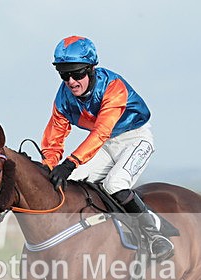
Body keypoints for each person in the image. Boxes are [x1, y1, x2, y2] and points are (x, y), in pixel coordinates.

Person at [41, 35, 174, 260]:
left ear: (92, 69)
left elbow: (101, 131)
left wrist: (70, 162)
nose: (71, 81)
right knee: (72, 183)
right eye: (65, 74)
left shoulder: (113, 86)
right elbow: (54, 139)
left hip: (135, 138)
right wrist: (49, 168)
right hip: (105, 144)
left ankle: (154, 235)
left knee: (115, 183)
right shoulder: (63, 97)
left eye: (78, 73)